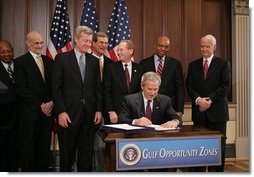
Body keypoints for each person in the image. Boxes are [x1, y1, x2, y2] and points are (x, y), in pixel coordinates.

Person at [52, 26, 103, 172]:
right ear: (76, 39)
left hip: (89, 117)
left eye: (90, 41)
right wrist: (61, 111)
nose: (89, 44)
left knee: (86, 157)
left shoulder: (93, 61)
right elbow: (56, 88)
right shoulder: (61, 59)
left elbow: (97, 89)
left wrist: (99, 109)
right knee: (67, 157)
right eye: (85, 41)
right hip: (68, 116)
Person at [186, 34, 231, 172]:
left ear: (214, 47)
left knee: (218, 147)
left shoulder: (223, 64)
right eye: (202, 46)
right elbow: (189, 85)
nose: (204, 49)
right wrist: (198, 100)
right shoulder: (193, 65)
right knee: (199, 147)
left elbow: (225, 86)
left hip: (217, 113)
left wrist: (209, 100)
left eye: (207, 46)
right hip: (199, 113)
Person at [14, 31, 54, 172]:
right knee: (28, 152)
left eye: (41, 42)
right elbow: (21, 88)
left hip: (47, 115)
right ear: (28, 43)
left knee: (43, 151)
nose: (40, 45)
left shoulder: (49, 61)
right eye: (36, 43)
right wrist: (40, 105)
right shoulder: (19, 62)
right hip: (29, 115)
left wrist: (51, 103)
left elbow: (54, 86)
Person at [139, 35, 185, 118]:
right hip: (148, 107)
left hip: (169, 107)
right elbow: (140, 86)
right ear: (155, 45)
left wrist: (179, 110)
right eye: (160, 46)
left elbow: (180, 88)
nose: (163, 49)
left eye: (166, 47)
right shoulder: (144, 64)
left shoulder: (176, 64)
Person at [104, 39, 142, 124]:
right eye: (118, 50)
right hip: (116, 114)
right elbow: (106, 92)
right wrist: (111, 111)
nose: (118, 52)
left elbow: (141, 91)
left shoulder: (140, 68)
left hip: (135, 114)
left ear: (130, 51)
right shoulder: (111, 68)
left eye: (121, 50)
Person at [91, 32, 112, 172]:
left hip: (107, 112)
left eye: (106, 43)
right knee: (85, 146)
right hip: (88, 111)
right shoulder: (85, 60)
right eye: (101, 43)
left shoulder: (111, 64)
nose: (104, 46)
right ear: (93, 43)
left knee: (102, 147)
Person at [0, 40, 19, 172]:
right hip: (2, 120)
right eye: (3, 51)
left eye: (9, 50)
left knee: (14, 151)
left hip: (18, 119)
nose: (7, 54)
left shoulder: (19, 65)